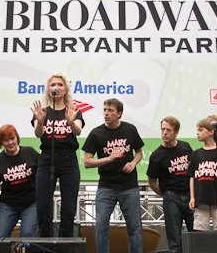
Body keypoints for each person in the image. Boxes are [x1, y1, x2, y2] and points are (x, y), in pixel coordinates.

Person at [82, 98, 144, 253]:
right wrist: (108, 159)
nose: (106, 113)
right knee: (101, 227)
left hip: (129, 186)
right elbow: (87, 162)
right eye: (104, 110)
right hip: (106, 187)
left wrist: (133, 163)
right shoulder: (96, 133)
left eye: (110, 110)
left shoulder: (130, 129)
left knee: (135, 228)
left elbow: (139, 152)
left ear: (119, 114)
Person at [31, 72, 84, 237]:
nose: (57, 87)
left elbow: (78, 130)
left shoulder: (73, 111)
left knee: (68, 207)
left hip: (68, 160)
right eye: (53, 84)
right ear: (48, 90)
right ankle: (46, 242)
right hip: (47, 159)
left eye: (60, 85)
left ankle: (65, 243)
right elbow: (38, 134)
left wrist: (70, 121)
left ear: (66, 90)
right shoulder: (42, 111)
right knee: (43, 206)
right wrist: (40, 120)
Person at [0, 124, 40, 253]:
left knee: (27, 235)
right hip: (8, 205)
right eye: (6, 140)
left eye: (12, 138)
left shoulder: (30, 152)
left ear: (17, 138)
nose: (10, 142)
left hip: (31, 203)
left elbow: (43, 175)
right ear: (1, 142)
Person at [147, 116, 194, 252]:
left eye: (168, 130)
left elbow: (193, 171)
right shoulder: (156, 155)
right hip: (171, 197)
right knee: (174, 240)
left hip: (190, 195)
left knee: (196, 235)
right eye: (162, 130)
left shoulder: (185, 147)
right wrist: (167, 194)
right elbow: (152, 182)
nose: (164, 133)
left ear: (176, 132)